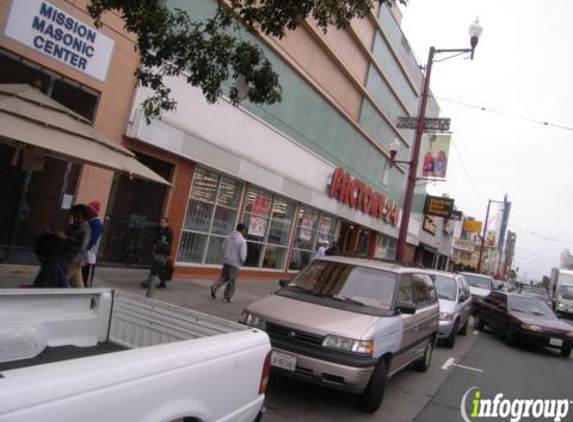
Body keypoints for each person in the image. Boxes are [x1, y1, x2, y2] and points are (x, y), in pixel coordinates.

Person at [210, 223, 247, 303]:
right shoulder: (242, 241)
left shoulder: (228, 237)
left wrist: (224, 256)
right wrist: (242, 261)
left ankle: (215, 285)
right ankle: (227, 297)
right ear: (243, 230)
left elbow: (223, 247)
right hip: (235, 263)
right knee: (232, 280)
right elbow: (242, 254)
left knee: (224, 276)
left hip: (226, 260)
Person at [58, 204, 92, 288]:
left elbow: (80, 246)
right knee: (78, 286)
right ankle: (83, 300)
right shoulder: (75, 226)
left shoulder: (85, 229)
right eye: (74, 216)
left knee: (59, 281)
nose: (75, 219)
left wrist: (65, 238)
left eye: (78, 217)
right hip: (73, 260)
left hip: (75, 260)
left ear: (84, 218)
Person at [141, 217, 173, 292]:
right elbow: (156, 239)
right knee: (160, 267)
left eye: (163, 222)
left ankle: (148, 281)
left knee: (156, 266)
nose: (161, 224)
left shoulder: (169, 231)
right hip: (158, 251)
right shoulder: (159, 230)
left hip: (163, 252)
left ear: (167, 223)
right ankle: (163, 282)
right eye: (161, 222)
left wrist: (169, 254)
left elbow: (169, 244)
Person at [82, 200, 103, 288]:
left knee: (86, 275)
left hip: (90, 254)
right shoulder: (92, 222)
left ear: (93, 212)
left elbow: (94, 238)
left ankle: (86, 289)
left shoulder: (96, 224)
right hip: (86, 253)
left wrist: (86, 247)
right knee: (84, 274)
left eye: (89, 210)